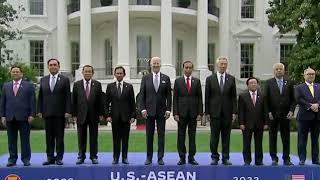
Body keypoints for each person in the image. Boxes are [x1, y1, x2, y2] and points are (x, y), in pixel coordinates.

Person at [0, 65, 36, 167]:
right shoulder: (6, 86)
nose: (15, 73)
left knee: (25, 140)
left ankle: (25, 159)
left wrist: (32, 115)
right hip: (10, 117)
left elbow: (32, 101)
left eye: (17, 72)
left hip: (24, 118)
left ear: (21, 74)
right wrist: (2, 116)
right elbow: (2, 102)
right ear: (11, 73)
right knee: (11, 140)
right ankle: (12, 159)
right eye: (13, 72)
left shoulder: (28, 85)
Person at [38, 58, 71, 166]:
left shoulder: (65, 80)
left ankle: (59, 158)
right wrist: (39, 110)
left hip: (60, 114)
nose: (53, 66)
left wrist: (68, 111)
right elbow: (41, 97)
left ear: (58, 66)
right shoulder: (43, 79)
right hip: (47, 113)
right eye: (51, 65)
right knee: (49, 137)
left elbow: (67, 97)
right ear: (48, 67)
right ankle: (50, 157)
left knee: (59, 137)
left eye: (55, 65)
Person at [139, 57, 172, 165]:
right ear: (151, 65)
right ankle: (149, 158)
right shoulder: (145, 78)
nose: (156, 65)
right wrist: (143, 109)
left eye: (157, 63)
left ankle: (160, 158)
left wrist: (168, 109)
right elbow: (142, 95)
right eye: (154, 63)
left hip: (162, 112)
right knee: (149, 135)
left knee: (161, 135)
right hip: (149, 112)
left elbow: (169, 96)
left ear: (160, 64)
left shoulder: (166, 78)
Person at [205, 56, 237, 165]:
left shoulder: (231, 79)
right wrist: (207, 112)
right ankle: (214, 157)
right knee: (214, 137)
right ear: (217, 65)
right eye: (221, 64)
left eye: (225, 64)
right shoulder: (210, 79)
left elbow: (233, 98)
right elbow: (207, 97)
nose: (223, 66)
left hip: (227, 113)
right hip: (214, 113)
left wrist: (234, 112)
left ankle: (225, 157)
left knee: (226, 137)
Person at [72, 65, 104, 165]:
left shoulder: (97, 84)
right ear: (82, 72)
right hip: (81, 115)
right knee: (81, 137)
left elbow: (100, 101)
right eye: (86, 71)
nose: (87, 73)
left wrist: (101, 114)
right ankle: (81, 156)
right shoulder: (77, 84)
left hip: (94, 115)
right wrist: (74, 114)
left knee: (94, 137)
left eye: (89, 71)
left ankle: (93, 156)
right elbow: (74, 101)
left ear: (92, 73)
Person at [265, 63, 295, 166]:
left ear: (284, 70)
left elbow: (293, 99)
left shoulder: (289, 82)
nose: (279, 71)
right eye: (277, 69)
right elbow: (266, 99)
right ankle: (274, 158)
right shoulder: (269, 83)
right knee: (272, 137)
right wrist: (268, 112)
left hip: (285, 115)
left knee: (285, 137)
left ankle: (286, 158)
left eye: (281, 69)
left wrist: (291, 111)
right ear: (274, 71)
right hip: (272, 115)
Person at [173, 61, 202, 165]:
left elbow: (199, 98)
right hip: (181, 114)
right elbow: (175, 98)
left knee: (192, 136)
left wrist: (199, 113)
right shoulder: (178, 81)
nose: (188, 69)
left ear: (192, 69)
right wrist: (175, 113)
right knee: (181, 136)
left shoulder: (197, 81)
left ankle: (191, 157)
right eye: (186, 68)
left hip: (193, 114)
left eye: (190, 68)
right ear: (183, 68)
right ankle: (182, 157)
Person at [106, 66, 136, 164]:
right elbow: (106, 103)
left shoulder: (129, 87)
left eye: (121, 73)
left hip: (126, 118)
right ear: (114, 74)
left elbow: (132, 103)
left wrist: (133, 116)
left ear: (124, 74)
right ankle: (115, 158)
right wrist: (108, 115)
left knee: (125, 140)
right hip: (114, 118)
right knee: (116, 140)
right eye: (117, 73)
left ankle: (124, 158)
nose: (119, 75)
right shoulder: (110, 86)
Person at [238, 77, 269, 166]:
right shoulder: (242, 96)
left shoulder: (262, 95)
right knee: (246, 143)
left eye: (255, 83)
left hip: (259, 124)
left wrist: (266, 122)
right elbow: (241, 111)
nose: (253, 84)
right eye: (251, 83)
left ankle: (259, 160)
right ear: (247, 85)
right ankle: (247, 161)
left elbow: (265, 110)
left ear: (257, 84)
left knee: (259, 144)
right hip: (247, 124)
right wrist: (241, 123)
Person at [295, 67, 320, 165]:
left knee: (315, 139)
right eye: (309, 74)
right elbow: (298, 99)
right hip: (304, 117)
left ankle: (315, 159)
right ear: (304, 75)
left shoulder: (319, 86)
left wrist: (318, 105)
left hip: (317, 116)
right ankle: (302, 159)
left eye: (312, 74)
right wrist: (310, 106)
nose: (311, 76)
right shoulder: (299, 87)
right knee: (302, 139)